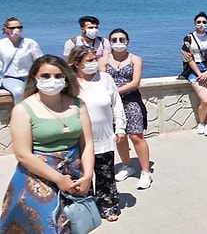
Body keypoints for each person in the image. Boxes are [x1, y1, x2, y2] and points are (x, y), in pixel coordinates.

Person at [0, 55, 95, 233]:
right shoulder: (23, 109)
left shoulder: (78, 105)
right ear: (35, 78)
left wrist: (88, 175)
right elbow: (23, 154)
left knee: (76, 224)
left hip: (75, 175)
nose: (52, 80)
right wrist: (58, 179)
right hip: (37, 178)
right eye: (45, 76)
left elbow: (87, 143)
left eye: (58, 76)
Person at [68, 45, 126, 221]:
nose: (94, 63)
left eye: (95, 59)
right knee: (81, 175)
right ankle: (85, 209)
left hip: (104, 137)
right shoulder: (69, 83)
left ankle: (108, 207)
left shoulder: (105, 79)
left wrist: (120, 127)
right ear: (77, 64)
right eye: (89, 60)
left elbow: (116, 104)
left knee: (105, 175)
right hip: (78, 140)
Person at [99, 28, 152, 189]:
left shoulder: (136, 59)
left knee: (136, 135)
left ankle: (145, 172)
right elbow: (102, 80)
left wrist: (115, 92)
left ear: (127, 41)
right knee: (119, 136)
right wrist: (111, 97)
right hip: (110, 104)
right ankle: (126, 165)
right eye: (114, 40)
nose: (118, 43)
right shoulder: (102, 60)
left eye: (122, 39)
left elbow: (135, 82)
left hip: (130, 100)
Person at [180, 12, 207, 136]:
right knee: (204, 99)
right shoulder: (188, 38)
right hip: (195, 69)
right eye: (199, 22)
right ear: (194, 23)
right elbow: (187, 57)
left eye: (204, 22)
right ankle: (201, 123)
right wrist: (199, 73)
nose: (201, 24)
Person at [0, 17, 43, 104]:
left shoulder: (30, 43)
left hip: (30, 77)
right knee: (19, 92)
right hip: (11, 78)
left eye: (19, 27)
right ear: (6, 29)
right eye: (12, 28)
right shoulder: (1, 44)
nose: (16, 30)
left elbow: (39, 61)